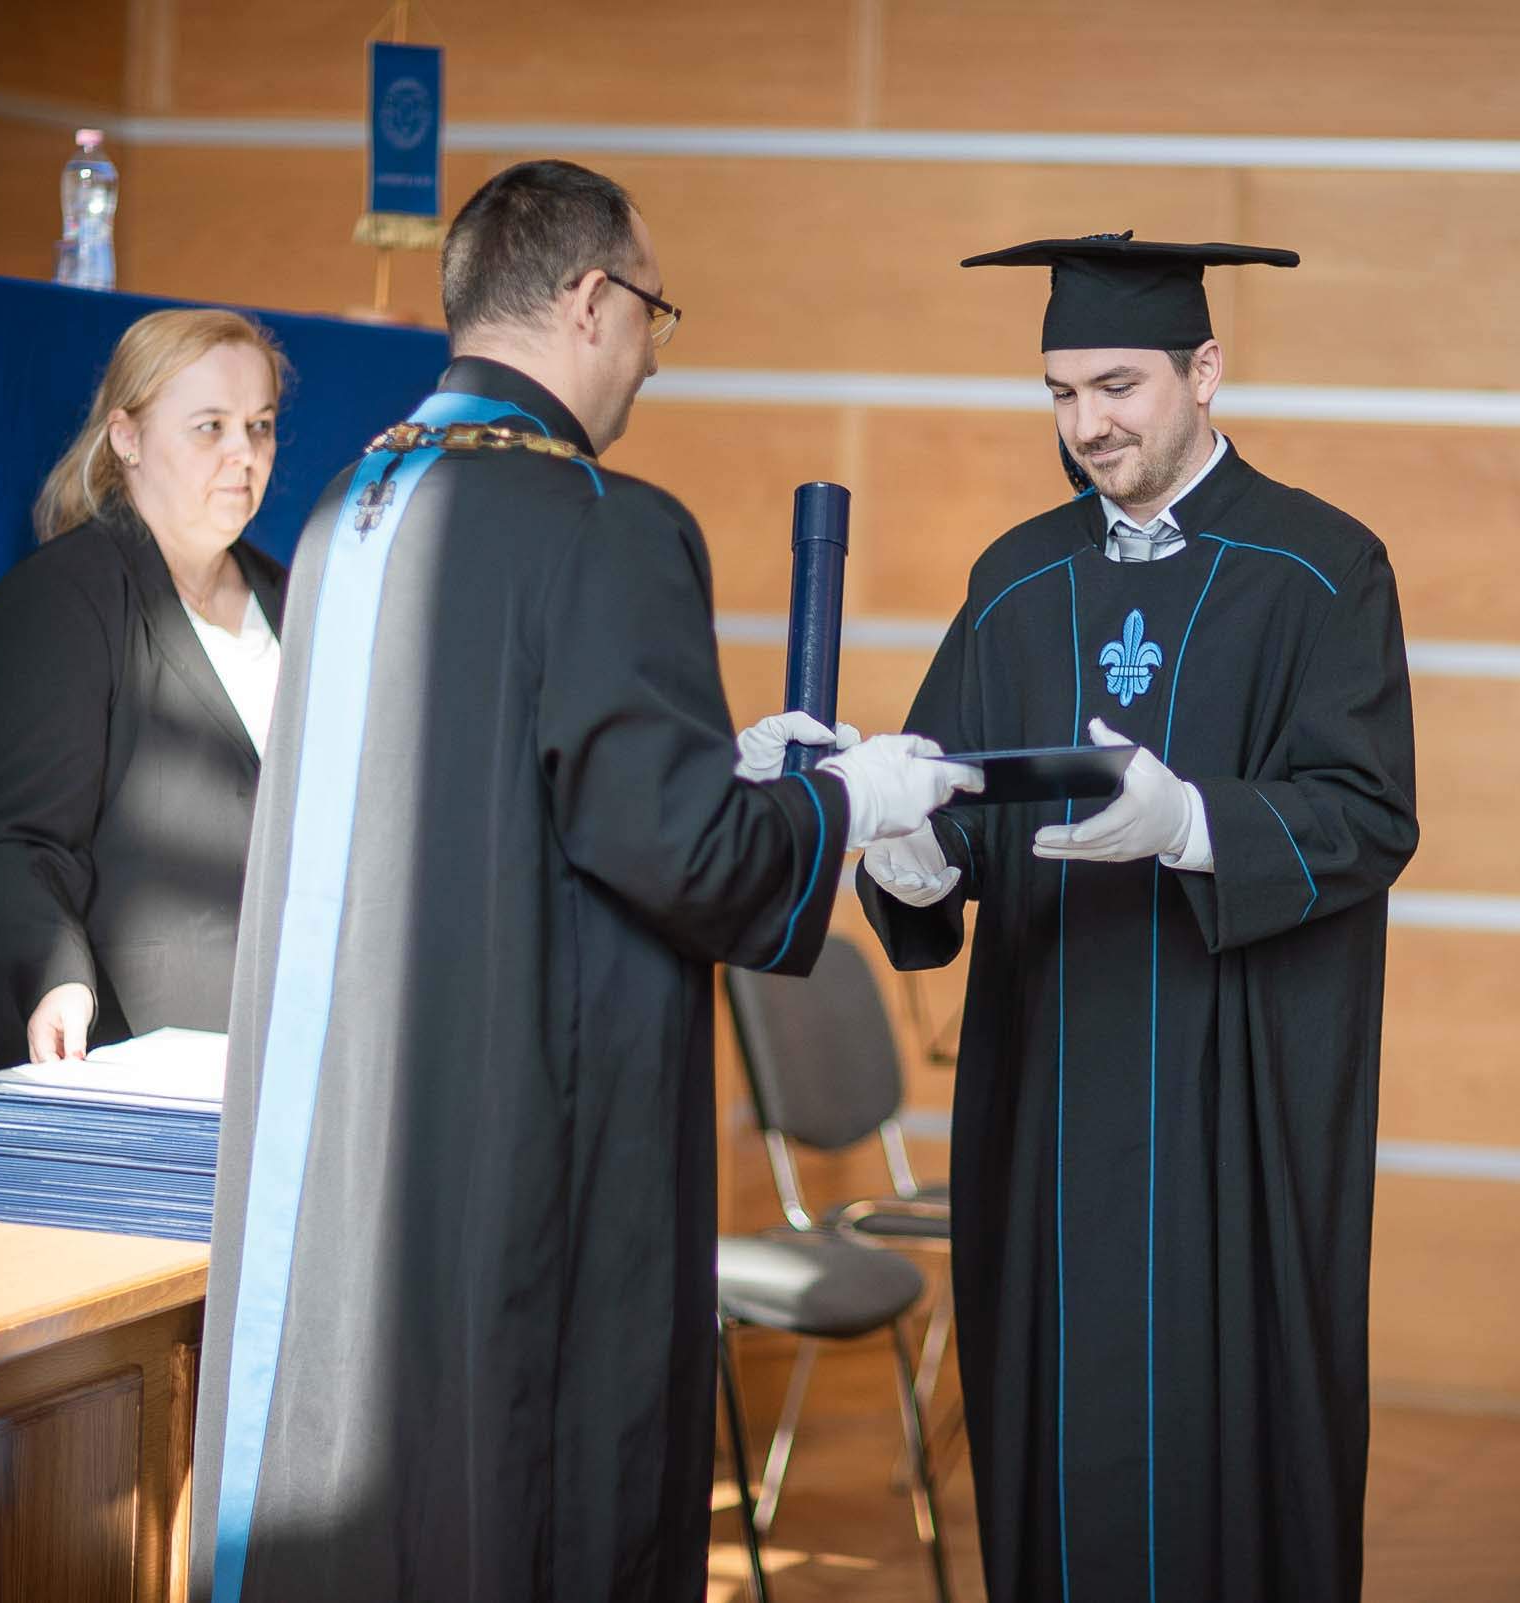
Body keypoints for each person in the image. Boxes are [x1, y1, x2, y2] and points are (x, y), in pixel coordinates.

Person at [188, 159, 972, 1603]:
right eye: (657, 313)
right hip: (522, 1142)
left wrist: (732, 767)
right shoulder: (601, 521)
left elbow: (498, 792)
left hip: (354, 1140)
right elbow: (689, 857)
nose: (658, 354)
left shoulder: (346, 508)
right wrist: (845, 799)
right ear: (592, 299)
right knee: (528, 1503)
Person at [856, 232, 1421, 1603]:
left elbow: (1367, 813)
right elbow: (953, 810)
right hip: (1048, 1094)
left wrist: (1191, 823)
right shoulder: (1015, 579)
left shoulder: (1321, 566)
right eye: (1061, 393)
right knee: (1061, 1445)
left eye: (1119, 386)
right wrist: (907, 849)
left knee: (1231, 1436)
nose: (1088, 423)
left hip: (1236, 1096)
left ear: (1205, 370)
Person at [0, 307, 291, 1072]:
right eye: (210, 426)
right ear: (127, 437)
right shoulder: (60, 599)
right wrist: (57, 980)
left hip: (268, 1052)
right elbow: (21, 840)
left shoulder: (298, 597)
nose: (244, 453)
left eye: (261, 426)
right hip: (110, 1056)